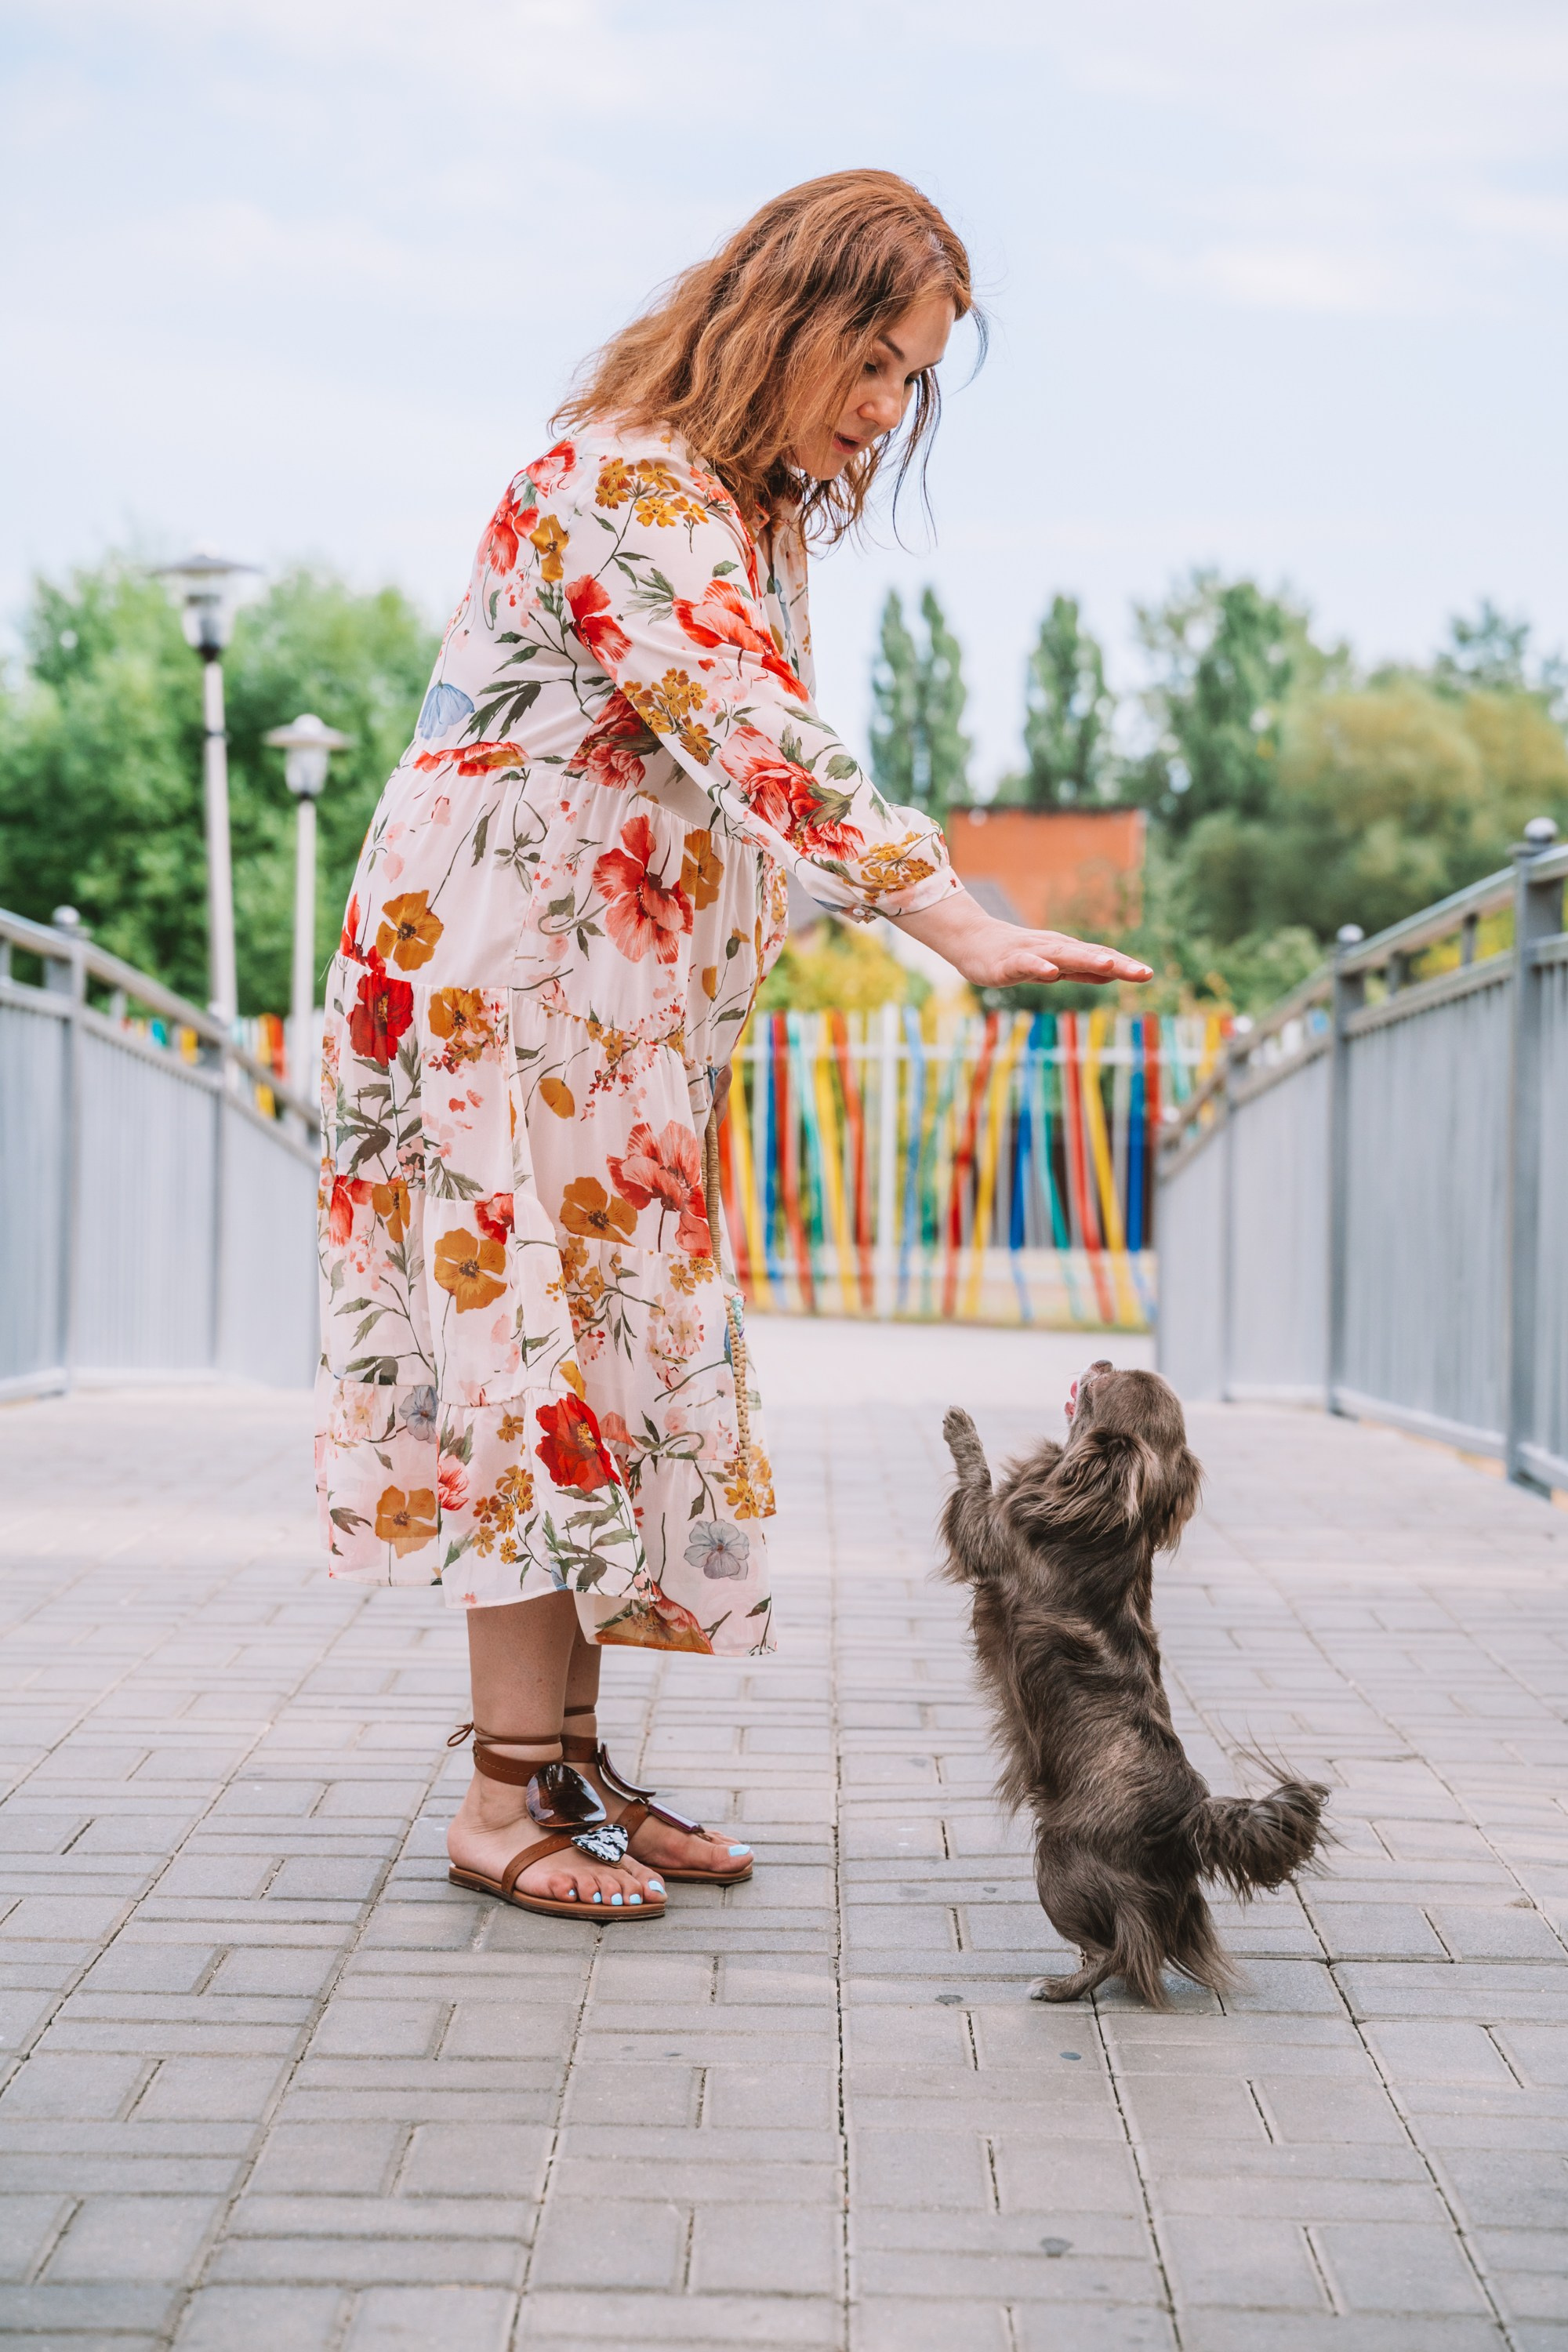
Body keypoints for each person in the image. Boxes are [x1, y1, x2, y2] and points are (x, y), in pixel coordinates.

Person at [314, 169, 1151, 1923]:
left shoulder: (735, 507)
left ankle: (567, 1775)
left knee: (611, 1377)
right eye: (873, 364)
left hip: (602, 1019)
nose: (883, 413)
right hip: (494, 1003)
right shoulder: (620, 478)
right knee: (533, 1364)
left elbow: (733, 774)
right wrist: (956, 918)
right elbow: (752, 734)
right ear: (786, 317)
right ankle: (495, 1802)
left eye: (913, 383)